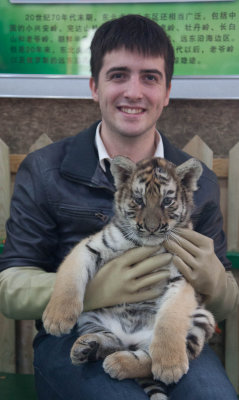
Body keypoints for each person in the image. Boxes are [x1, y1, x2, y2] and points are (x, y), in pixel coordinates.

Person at [0, 14, 238, 400]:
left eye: (149, 77)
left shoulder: (197, 181)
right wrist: (92, 288)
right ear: (94, 87)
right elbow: (9, 286)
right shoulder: (45, 169)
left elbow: (222, 303)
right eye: (118, 75)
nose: (133, 91)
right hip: (79, 332)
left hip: (167, 327)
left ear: (166, 91)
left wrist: (214, 280)